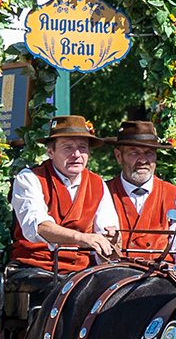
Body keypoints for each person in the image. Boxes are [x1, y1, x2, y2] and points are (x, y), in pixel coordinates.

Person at [7, 114, 120, 273]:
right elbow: (39, 227)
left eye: (82, 148)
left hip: (81, 270)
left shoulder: (98, 184)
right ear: (50, 152)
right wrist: (84, 239)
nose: (76, 155)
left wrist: (112, 240)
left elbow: (106, 231)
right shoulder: (30, 178)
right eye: (68, 147)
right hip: (36, 266)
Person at [104, 119, 176, 264]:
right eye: (134, 153)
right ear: (119, 156)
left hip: (162, 279)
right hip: (115, 278)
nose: (143, 160)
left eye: (149, 153)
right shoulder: (103, 193)